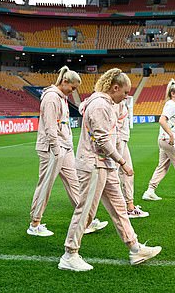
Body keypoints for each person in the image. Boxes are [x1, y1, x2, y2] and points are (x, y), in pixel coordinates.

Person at [59, 68, 161, 272]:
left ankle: (134, 248)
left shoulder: (103, 103)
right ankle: (69, 254)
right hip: (94, 165)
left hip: (105, 165)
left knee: (119, 208)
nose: (126, 97)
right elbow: (102, 139)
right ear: (115, 88)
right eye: (124, 92)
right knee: (86, 210)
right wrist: (122, 161)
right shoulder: (100, 105)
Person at [28, 66, 107, 236]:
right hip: (52, 149)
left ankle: (85, 221)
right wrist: (56, 150)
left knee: (75, 184)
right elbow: (50, 127)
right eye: (72, 88)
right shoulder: (51, 98)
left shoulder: (61, 97)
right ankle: (35, 223)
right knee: (45, 185)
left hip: (64, 147)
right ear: (64, 81)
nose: (73, 92)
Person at [116, 97, 149, 218]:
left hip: (121, 140)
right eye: (124, 92)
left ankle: (128, 206)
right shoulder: (113, 103)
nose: (126, 95)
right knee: (112, 176)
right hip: (117, 141)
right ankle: (126, 207)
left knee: (126, 173)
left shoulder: (119, 102)